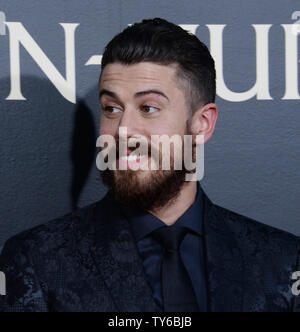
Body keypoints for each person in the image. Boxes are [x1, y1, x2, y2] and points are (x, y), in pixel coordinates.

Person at [0, 18, 300, 312]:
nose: (123, 130)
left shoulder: (284, 261)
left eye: (149, 108)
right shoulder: (36, 260)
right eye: (112, 109)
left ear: (202, 124)